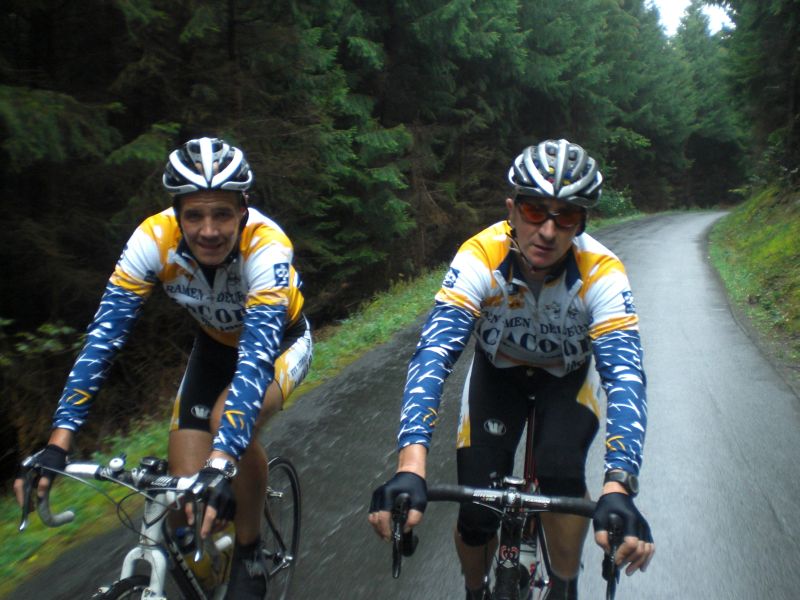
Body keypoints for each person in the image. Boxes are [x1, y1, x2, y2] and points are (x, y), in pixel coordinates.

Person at [14, 136, 312, 599]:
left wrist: (222, 460)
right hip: (213, 350)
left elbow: (255, 360)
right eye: (194, 215)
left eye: (222, 215)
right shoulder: (152, 240)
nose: (208, 230)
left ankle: (250, 553)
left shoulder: (268, 247)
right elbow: (102, 341)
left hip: (277, 346)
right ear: (176, 213)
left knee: (226, 422)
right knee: (180, 507)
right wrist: (58, 442)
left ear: (243, 210)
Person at [369, 139, 654, 599]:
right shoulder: (480, 256)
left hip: (566, 380)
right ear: (511, 210)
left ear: (581, 222)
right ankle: (476, 588)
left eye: (566, 216)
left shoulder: (603, 272)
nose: (547, 230)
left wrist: (619, 484)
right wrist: (411, 465)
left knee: (562, 470)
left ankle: (563, 586)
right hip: (497, 375)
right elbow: (434, 354)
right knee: (477, 513)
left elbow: (625, 377)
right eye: (534, 210)